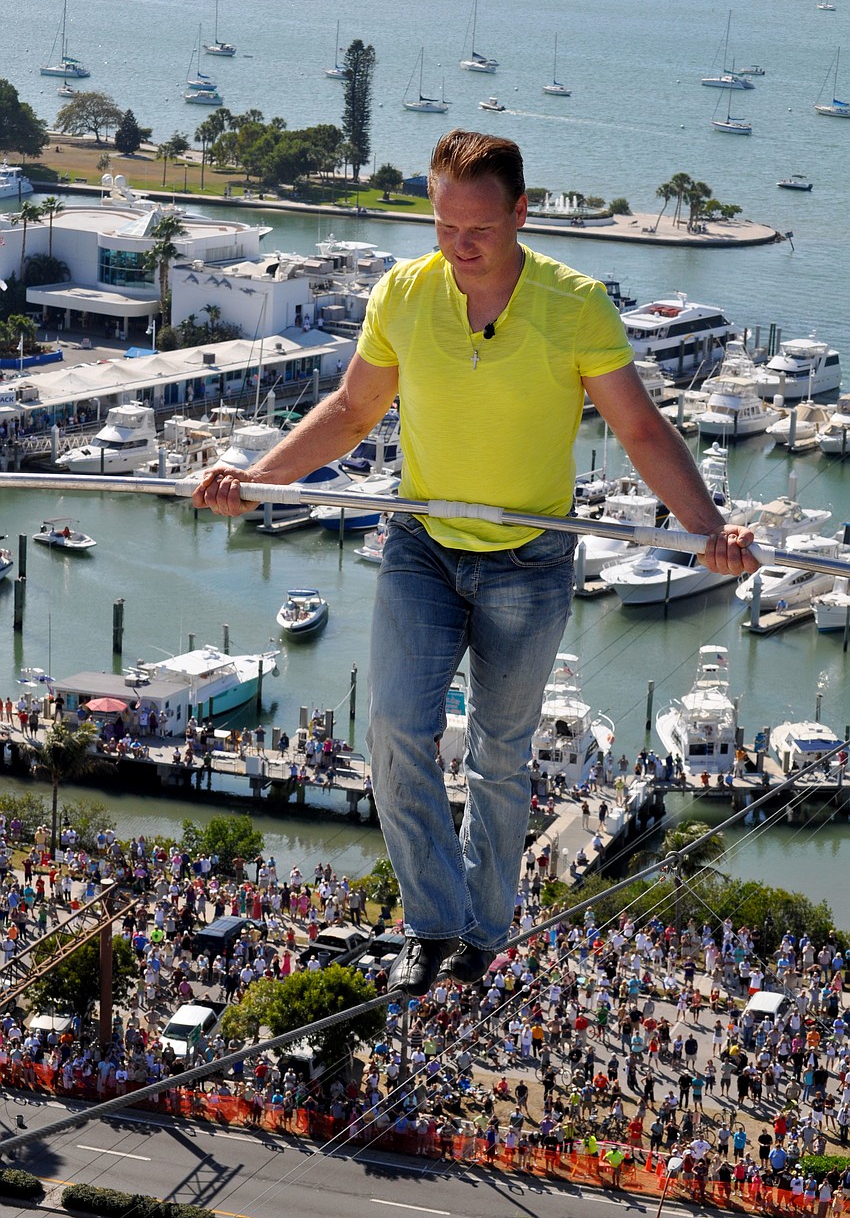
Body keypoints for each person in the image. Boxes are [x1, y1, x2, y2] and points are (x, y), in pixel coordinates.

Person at [192, 129, 758, 998]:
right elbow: (350, 410)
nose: (459, 245)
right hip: (422, 544)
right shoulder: (405, 293)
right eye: (443, 224)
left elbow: (641, 431)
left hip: (530, 559)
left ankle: (484, 929)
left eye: (480, 229)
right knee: (392, 731)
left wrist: (711, 528)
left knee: (501, 752)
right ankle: (436, 922)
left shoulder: (575, 306)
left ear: (522, 214)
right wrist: (258, 480)